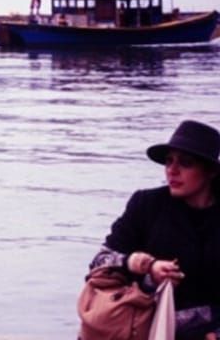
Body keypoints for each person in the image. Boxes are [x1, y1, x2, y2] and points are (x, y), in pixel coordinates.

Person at [90, 120, 220, 339]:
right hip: (144, 327)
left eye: (185, 163)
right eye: (169, 161)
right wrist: (146, 267)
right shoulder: (147, 205)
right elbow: (99, 262)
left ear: (210, 171)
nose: (172, 170)